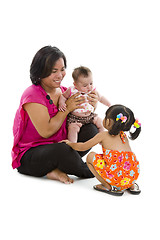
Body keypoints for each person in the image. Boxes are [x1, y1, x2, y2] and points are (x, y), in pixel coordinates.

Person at [11, 46, 99, 184]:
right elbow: (46, 131)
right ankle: (100, 171)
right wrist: (68, 108)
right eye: (54, 71)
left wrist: (92, 105)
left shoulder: (65, 92)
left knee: (91, 130)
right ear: (40, 72)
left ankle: (57, 167)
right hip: (30, 156)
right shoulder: (32, 95)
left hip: (58, 147)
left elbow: (82, 117)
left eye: (62, 69)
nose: (60, 75)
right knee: (62, 150)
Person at [62, 104, 141, 196]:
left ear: (108, 121)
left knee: (91, 156)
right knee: (121, 162)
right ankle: (131, 186)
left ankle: (107, 186)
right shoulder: (124, 137)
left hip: (116, 179)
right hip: (132, 176)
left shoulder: (103, 135)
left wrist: (70, 143)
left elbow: (83, 146)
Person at [58, 66, 111, 142]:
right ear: (75, 84)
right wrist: (61, 103)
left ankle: (103, 140)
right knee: (73, 129)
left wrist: (109, 104)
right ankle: (72, 145)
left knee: (100, 122)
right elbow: (63, 96)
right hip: (75, 118)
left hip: (90, 116)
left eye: (91, 83)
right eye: (85, 85)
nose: (89, 87)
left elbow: (101, 98)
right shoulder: (71, 90)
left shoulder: (92, 90)